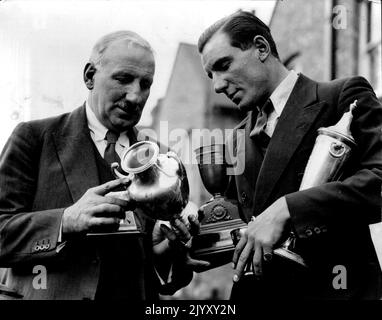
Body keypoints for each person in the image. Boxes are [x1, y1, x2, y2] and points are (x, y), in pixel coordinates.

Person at [0, 30, 206, 300]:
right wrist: (66, 221)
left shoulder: (161, 159)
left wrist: (166, 251)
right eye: (123, 79)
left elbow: (164, 280)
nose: (135, 96)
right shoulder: (34, 138)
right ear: (89, 76)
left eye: (145, 84)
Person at [197, 11, 382, 300]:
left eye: (223, 65)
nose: (218, 85)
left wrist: (288, 209)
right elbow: (241, 228)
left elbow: (378, 182)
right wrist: (186, 240)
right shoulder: (236, 138)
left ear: (261, 48)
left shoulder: (342, 98)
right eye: (211, 75)